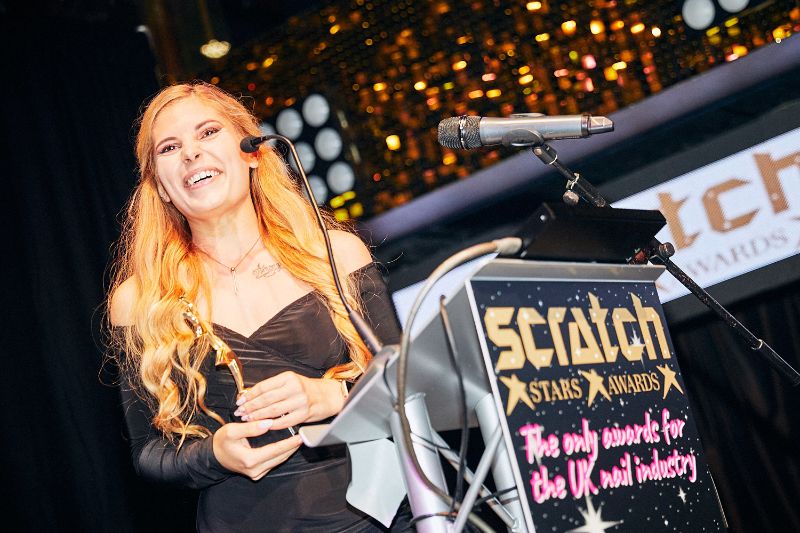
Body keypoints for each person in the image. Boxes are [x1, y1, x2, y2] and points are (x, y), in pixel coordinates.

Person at [108, 81, 407, 532]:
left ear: (252, 153)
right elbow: (148, 454)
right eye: (169, 147)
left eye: (208, 132)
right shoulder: (139, 301)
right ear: (162, 188)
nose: (190, 153)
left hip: (380, 520)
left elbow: (410, 389)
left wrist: (334, 396)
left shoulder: (336, 256)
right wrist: (214, 454)